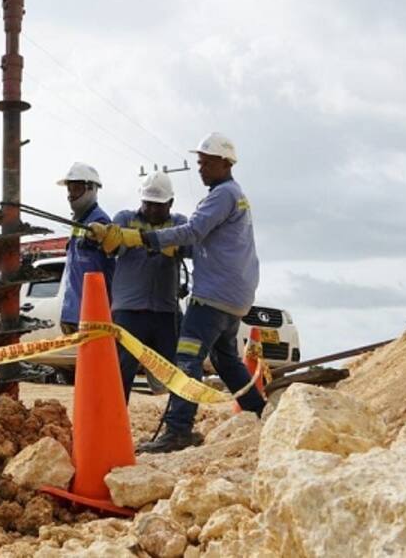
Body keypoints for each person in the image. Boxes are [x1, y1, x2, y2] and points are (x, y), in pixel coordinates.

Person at [90, 133, 265, 452]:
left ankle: (178, 430)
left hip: (211, 297)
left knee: (186, 359)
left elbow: (193, 232)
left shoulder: (221, 195)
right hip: (233, 296)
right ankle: (260, 411)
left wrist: (144, 240)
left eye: (206, 163)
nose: (200, 169)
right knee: (225, 360)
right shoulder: (234, 195)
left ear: (226, 163)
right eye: (199, 163)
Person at [97, 171, 189, 401]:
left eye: (159, 205)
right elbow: (111, 248)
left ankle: (176, 427)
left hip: (165, 312)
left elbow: (190, 247)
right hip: (129, 311)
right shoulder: (125, 219)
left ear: (170, 203)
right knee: (122, 370)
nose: (153, 210)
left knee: (174, 373)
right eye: (148, 204)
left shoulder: (179, 223)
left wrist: (166, 243)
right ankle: (115, 424)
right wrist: (107, 236)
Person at [57, 162, 112, 334]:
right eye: (69, 189)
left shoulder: (101, 223)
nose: (71, 195)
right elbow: (73, 272)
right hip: (76, 311)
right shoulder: (78, 223)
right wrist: (68, 313)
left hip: (95, 313)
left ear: (91, 189)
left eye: (76, 189)